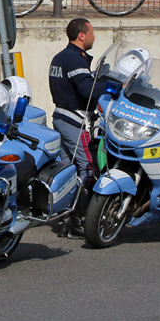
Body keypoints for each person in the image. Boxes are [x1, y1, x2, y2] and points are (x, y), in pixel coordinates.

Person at [48, 18, 106, 238]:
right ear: (81, 35)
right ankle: (79, 221)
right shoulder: (75, 59)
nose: (93, 36)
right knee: (87, 168)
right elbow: (86, 89)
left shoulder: (60, 57)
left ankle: (64, 221)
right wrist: (114, 86)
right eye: (91, 32)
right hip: (74, 120)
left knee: (66, 171)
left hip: (60, 117)